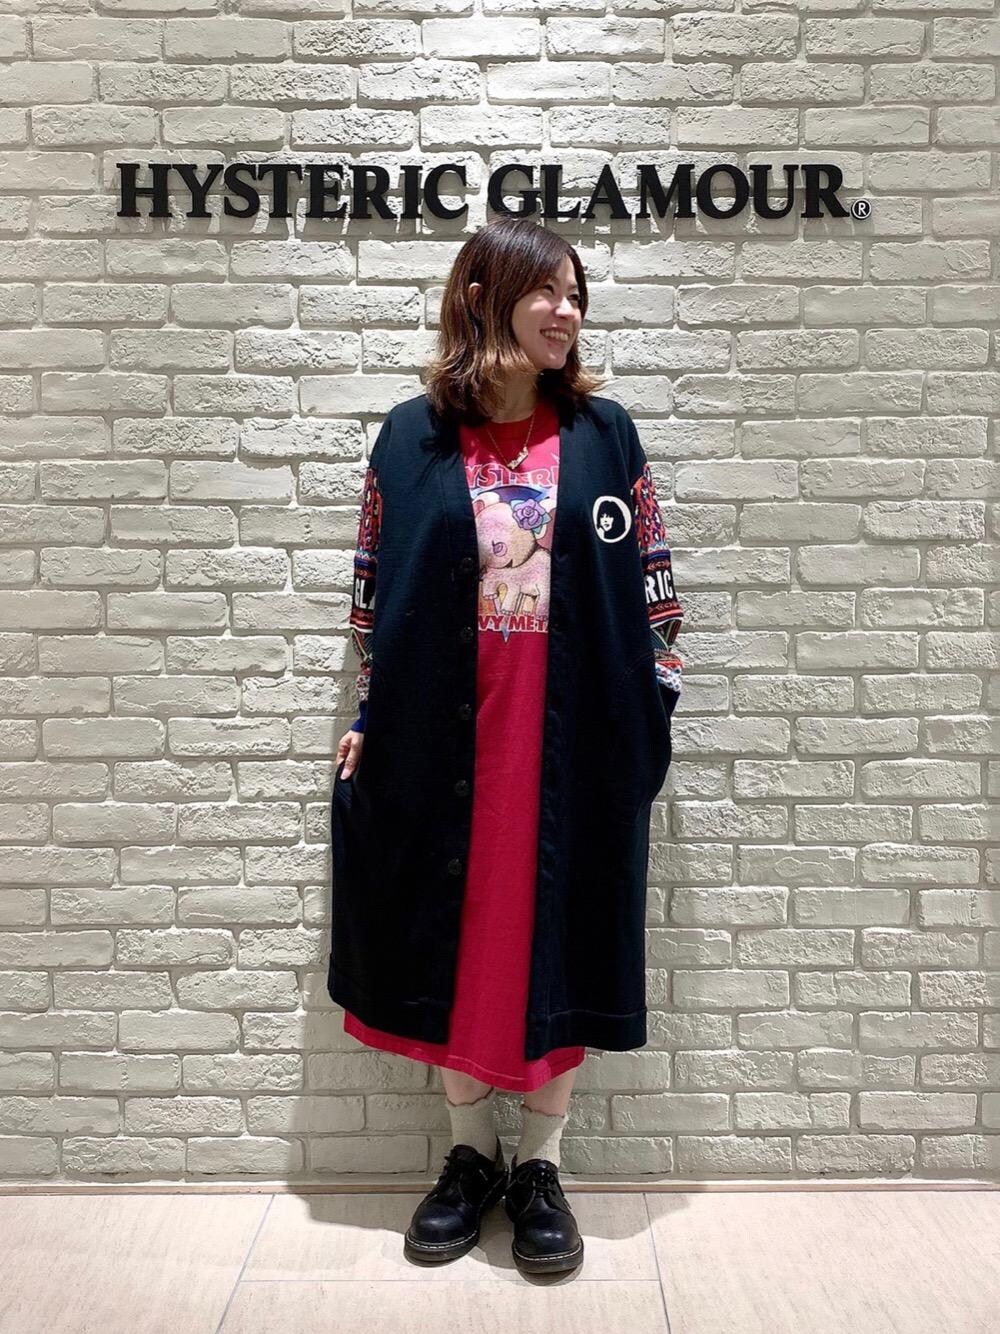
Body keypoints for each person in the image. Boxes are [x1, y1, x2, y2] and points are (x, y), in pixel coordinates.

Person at [329, 217, 684, 1275]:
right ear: (484, 297)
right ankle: (469, 1156)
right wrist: (365, 716)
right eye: (548, 291)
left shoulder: (607, 435)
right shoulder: (409, 437)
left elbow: (656, 589)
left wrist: (653, 709)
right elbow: (370, 590)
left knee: (563, 932)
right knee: (455, 936)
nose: (568, 311)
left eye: (577, 294)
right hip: (441, 729)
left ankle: (541, 1165)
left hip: (574, 731)